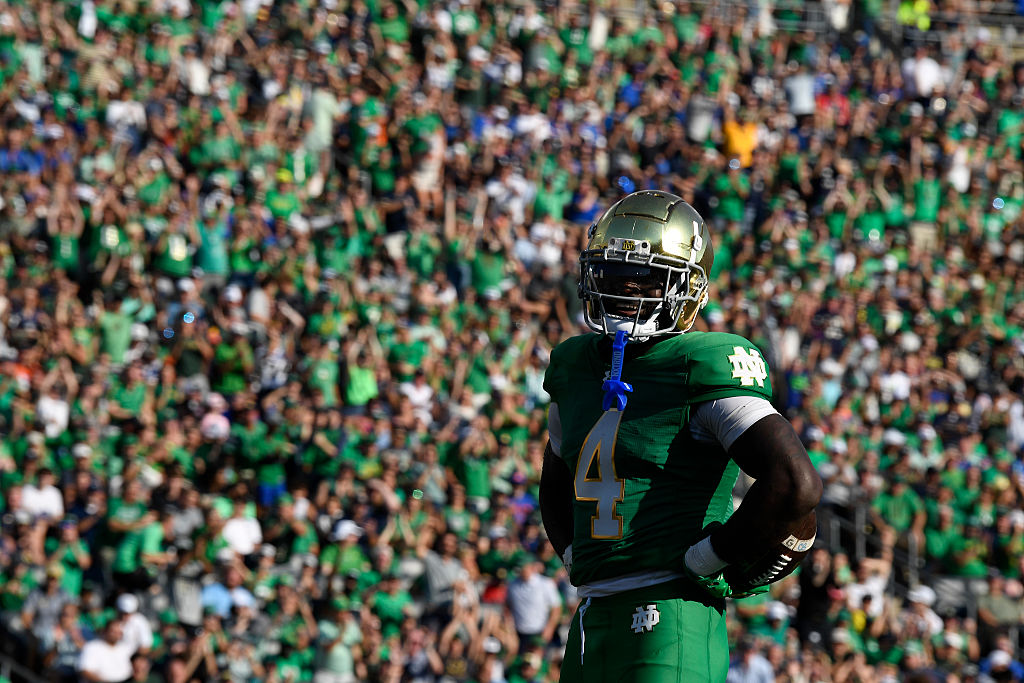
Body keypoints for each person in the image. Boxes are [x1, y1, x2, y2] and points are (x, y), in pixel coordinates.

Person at [540, 191, 822, 682]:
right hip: (591, 617)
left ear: (688, 288)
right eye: (610, 273)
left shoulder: (700, 363)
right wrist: (577, 558)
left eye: (645, 277)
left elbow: (795, 483)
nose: (624, 288)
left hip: (671, 613)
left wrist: (709, 556)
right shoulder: (574, 365)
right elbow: (554, 484)